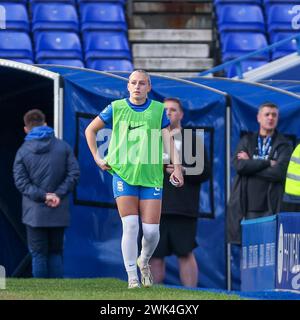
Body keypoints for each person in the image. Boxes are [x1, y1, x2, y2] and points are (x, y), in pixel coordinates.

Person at [85, 70, 184, 289]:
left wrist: (177, 168)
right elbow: (90, 130)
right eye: (133, 83)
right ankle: (132, 277)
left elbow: (168, 139)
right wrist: (97, 157)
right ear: (128, 86)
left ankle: (144, 261)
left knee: (151, 232)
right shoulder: (116, 107)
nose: (137, 86)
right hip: (123, 173)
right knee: (130, 226)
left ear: (149, 86)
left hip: (151, 176)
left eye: (142, 83)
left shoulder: (158, 110)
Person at [150, 98, 210, 287]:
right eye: (165, 110)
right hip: (155, 206)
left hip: (183, 207)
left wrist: (182, 170)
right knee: (154, 254)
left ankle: (191, 296)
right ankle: (151, 297)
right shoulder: (152, 139)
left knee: (185, 253)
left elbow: (205, 172)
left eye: (173, 110)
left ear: (181, 114)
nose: (168, 113)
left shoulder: (193, 140)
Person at [13, 109, 80, 278]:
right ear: (45, 124)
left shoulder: (22, 151)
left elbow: (21, 181)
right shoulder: (63, 146)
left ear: (26, 129)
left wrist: (43, 196)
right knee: (55, 253)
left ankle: (39, 294)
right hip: (59, 210)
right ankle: (56, 292)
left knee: (38, 254)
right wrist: (57, 194)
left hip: (34, 214)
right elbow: (74, 173)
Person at [227, 102, 293, 244]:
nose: (270, 118)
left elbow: (278, 173)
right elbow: (239, 166)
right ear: (258, 118)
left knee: (267, 254)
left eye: (274, 115)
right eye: (267, 114)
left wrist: (250, 164)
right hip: (246, 208)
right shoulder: (247, 141)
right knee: (248, 253)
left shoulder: (284, 144)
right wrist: (267, 163)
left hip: (270, 208)